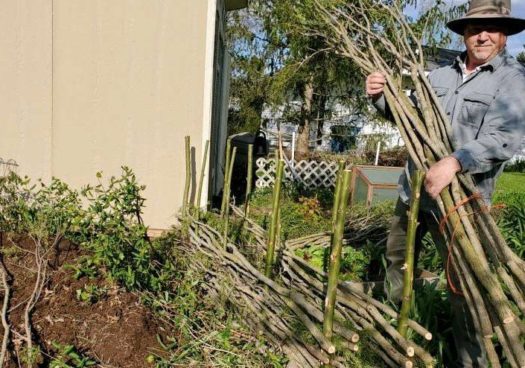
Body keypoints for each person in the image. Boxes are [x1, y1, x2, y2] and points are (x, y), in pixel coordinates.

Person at [365, 0, 525, 366]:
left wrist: (455, 162)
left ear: (504, 35)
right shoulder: (440, 73)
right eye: (473, 29)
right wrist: (379, 96)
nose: (481, 35)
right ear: (464, 33)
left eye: (490, 29)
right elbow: (406, 114)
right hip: (414, 191)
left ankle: (469, 359)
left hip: (461, 204)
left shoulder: (514, 81)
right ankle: (400, 328)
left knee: (464, 286)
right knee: (396, 260)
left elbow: (503, 138)